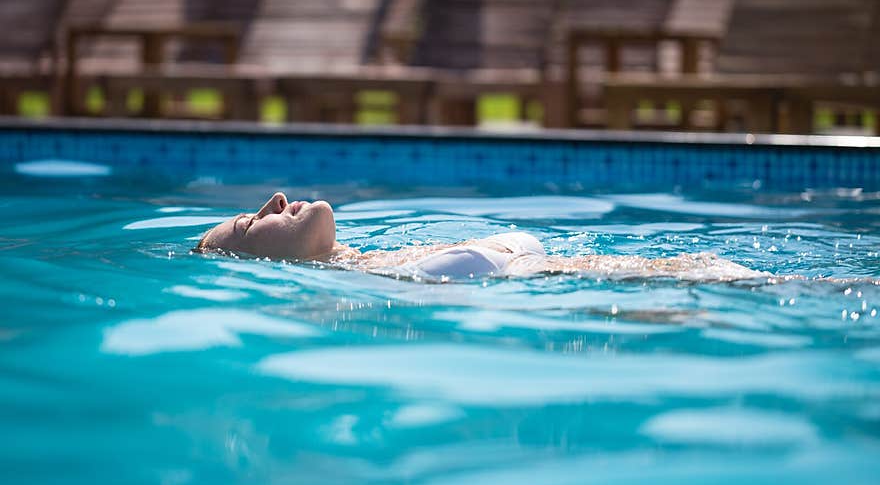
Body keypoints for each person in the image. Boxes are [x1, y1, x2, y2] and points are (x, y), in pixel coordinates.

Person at [195, 192, 767, 282]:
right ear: (266, 265)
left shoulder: (370, 260)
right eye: (250, 223)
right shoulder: (352, 290)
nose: (273, 200)